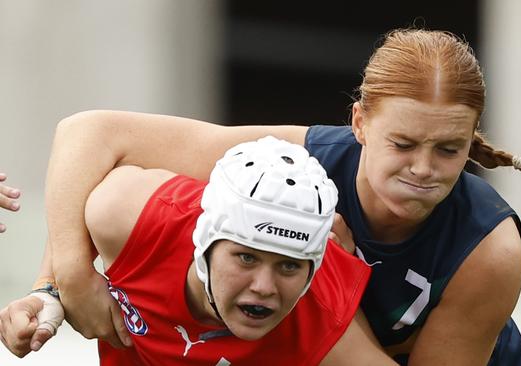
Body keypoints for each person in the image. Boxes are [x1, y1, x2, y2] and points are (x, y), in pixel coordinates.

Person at [1, 28, 521, 365]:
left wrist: (336, 279)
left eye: (448, 149)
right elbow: (88, 134)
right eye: (403, 143)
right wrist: (63, 279)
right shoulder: (297, 165)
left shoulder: (488, 250)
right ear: (360, 123)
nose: (423, 169)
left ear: (472, 142)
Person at [0, 137, 396, 365]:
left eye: (289, 267)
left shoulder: (327, 323)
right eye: (246, 257)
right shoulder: (132, 215)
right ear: (203, 241)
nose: (264, 286)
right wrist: (54, 286)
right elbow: (79, 182)